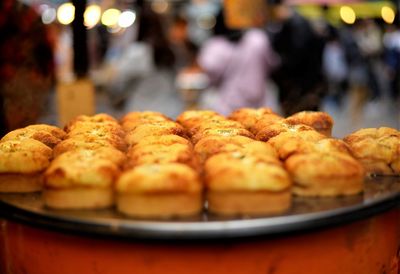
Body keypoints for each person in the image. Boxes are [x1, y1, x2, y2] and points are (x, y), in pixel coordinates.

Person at [198, 9, 279, 116]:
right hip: (261, 104)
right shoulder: (258, 38)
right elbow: (272, 64)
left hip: (228, 105)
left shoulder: (214, 46)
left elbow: (210, 73)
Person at [0, 0, 55, 134]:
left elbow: (44, 49)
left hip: (23, 79)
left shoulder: (21, 13)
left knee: (22, 132)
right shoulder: (23, 11)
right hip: (24, 78)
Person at [269, 4, 326, 116]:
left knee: (302, 123)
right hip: (302, 85)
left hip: (301, 87)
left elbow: (296, 57)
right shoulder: (292, 24)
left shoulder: (297, 25)